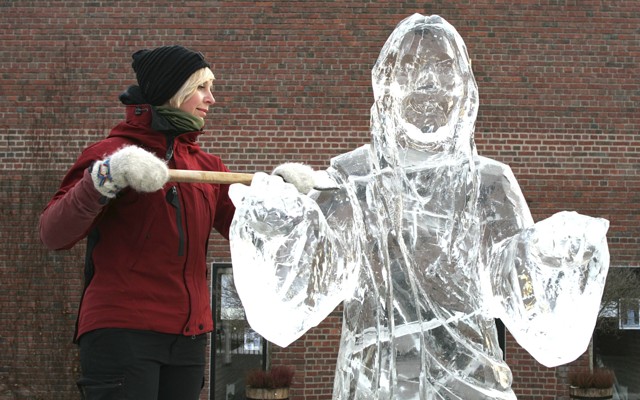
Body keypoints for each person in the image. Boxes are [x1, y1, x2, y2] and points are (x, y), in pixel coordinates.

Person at [228, 14, 610, 400]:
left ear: (465, 88)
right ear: (385, 85)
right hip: (374, 385)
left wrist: (554, 254)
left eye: (444, 69)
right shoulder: (352, 178)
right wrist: (280, 229)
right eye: (411, 68)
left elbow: (521, 296)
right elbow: (295, 303)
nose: (428, 82)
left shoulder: (489, 182)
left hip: (470, 384)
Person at [39, 45, 236, 400]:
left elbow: (248, 230)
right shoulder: (109, 153)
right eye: (202, 88)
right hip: (123, 332)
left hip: (190, 336)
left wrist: (279, 199)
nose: (212, 98)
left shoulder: (207, 167)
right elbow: (53, 233)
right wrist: (104, 178)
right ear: (173, 93)